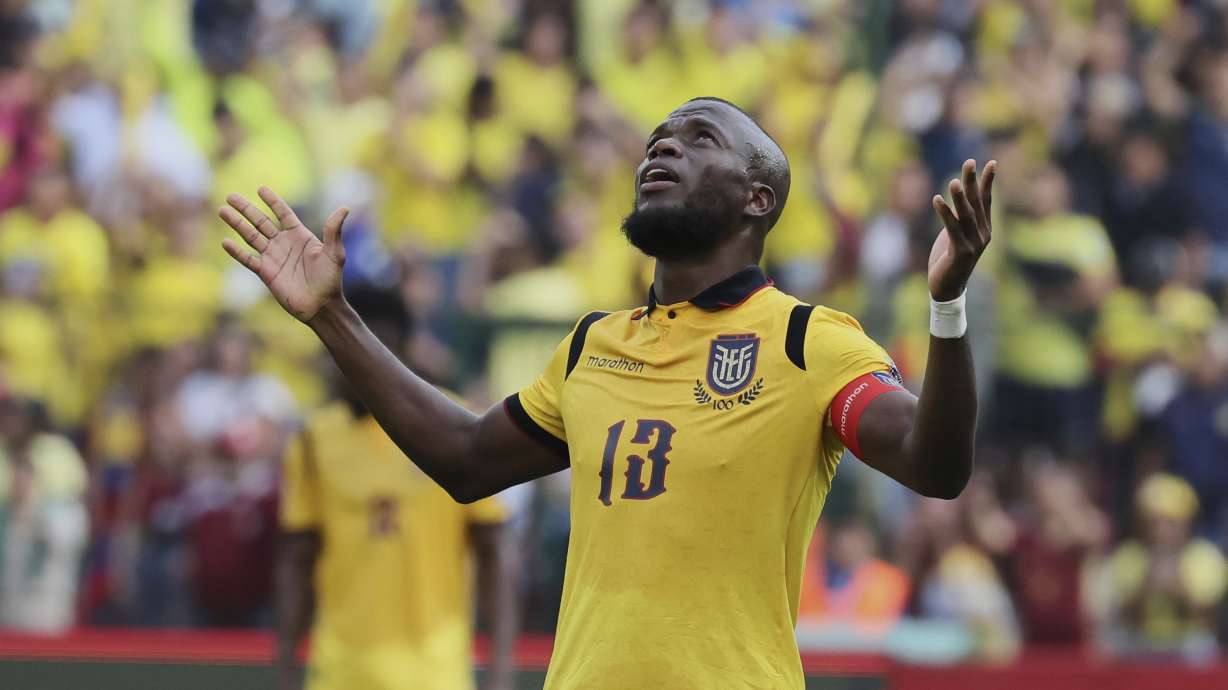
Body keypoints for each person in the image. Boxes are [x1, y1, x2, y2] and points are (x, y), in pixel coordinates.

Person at [220, 96, 994, 688]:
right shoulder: (593, 347)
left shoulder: (807, 339)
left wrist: (947, 305)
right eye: (659, 136)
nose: (663, 144)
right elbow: (463, 458)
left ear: (758, 199)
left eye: (700, 139)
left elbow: (936, 467)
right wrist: (332, 316)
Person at [274, 286, 516, 690]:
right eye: (337, 348)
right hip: (340, 673)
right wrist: (284, 671)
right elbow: (296, 560)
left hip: (434, 674)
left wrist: (501, 671)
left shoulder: (458, 426)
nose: (346, 363)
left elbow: (494, 553)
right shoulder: (313, 440)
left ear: (394, 352)